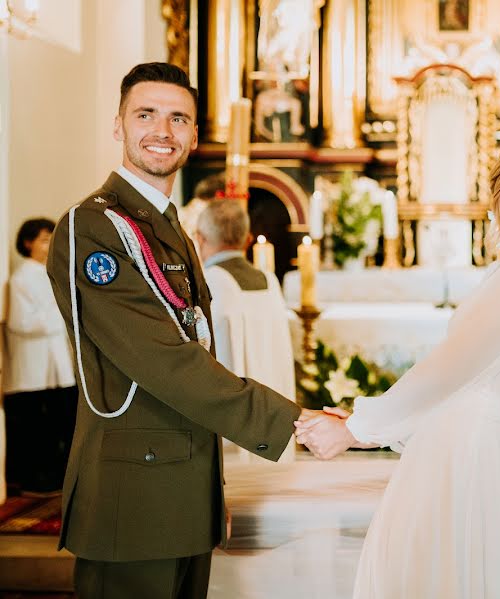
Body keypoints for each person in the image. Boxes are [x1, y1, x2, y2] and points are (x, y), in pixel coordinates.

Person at [45, 62, 302, 598]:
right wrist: (292, 424)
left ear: (194, 134)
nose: (162, 132)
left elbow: (198, 348)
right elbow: (165, 360)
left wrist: (209, 491)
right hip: (132, 498)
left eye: (178, 119)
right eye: (146, 115)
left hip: (182, 490)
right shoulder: (94, 225)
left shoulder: (171, 227)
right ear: (118, 124)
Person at [297, 132, 500, 599]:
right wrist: (372, 420)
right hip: (472, 446)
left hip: (466, 453)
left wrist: (361, 426)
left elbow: (453, 366)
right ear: (496, 191)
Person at [195, 199, 296, 460]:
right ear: (248, 238)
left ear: (200, 238)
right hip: (274, 413)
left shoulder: (211, 281)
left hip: (233, 425)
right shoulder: (270, 280)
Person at [3, 218, 77, 495]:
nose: (49, 245)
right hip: (34, 367)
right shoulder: (21, 279)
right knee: (38, 429)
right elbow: (20, 322)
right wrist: (58, 318)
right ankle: (37, 480)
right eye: (44, 239)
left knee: (62, 423)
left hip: (57, 364)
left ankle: (59, 476)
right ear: (27, 243)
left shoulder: (51, 272)